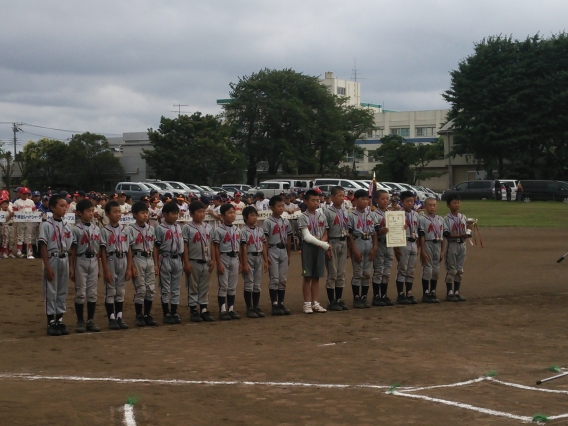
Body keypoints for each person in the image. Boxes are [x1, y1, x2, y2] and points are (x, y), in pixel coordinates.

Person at [39, 194, 76, 336]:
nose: (64, 208)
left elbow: (71, 246)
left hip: (64, 258)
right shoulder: (47, 225)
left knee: (62, 290)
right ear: (52, 207)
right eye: (61, 206)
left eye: (65, 205)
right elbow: (43, 246)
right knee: (51, 291)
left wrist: (71, 266)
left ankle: (59, 319)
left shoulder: (67, 226)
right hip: (52, 258)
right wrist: (47, 266)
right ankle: (50, 321)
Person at [100, 200, 133, 330]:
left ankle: (119, 316)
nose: (118, 214)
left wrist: (130, 267)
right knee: (110, 290)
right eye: (115, 212)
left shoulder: (125, 229)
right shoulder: (104, 230)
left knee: (120, 290)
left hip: (123, 258)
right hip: (111, 259)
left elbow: (129, 249)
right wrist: (105, 269)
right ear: (107, 214)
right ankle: (111, 318)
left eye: (119, 211)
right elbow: (102, 251)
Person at [71, 199, 102, 333]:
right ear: (79, 213)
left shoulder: (96, 228)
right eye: (88, 211)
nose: (91, 213)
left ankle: (90, 320)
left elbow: (98, 250)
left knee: (92, 293)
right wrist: (71, 267)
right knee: (81, 293)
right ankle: (80, 321)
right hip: (81, 260)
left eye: (92, 211)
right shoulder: (76, 229)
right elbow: (72, 250)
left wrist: (99, 266)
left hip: (93, 261)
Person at [298, 189, 330, 314]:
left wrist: (322, 242)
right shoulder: (303, 217)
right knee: (307, 276)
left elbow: (326, 233)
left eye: (317, 200)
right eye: (313, 200)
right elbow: (306, 236)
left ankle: (315, 303)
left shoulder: (322, 216)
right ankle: (307, 304)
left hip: (320, 248)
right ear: (306, 201)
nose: (316, 203)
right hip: (309, 248)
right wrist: (322, 244)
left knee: (316, 276)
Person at [183, 201, 215, 323]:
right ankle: (193, 309)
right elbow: (185, 246)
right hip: (193, 261)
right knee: (193, 286)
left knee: (205, 286)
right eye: (199, 212)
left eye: (203, 212)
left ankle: (203, 308)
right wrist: (186, 262)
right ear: (191, 213)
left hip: (206, 261)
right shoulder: (187, 227)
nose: (202, 214)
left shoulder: (208, 227)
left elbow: (211, 244)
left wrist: (213, 259)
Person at [129, 201, 159, 326]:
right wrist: (131, 266)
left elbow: (154, 248)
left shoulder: (151, 229)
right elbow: (129, 249)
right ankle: (139, 315)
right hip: (138, 258)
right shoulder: (130, 229)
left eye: (146, 213)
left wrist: (156, 264)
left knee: (150, 288)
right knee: (140, 288)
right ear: (135, 214)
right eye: (142, 213)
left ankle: (147, 314)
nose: (145, 215)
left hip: (149, 258)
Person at [154, 201, 184, 325]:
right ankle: (166, 312)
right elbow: (156, 247)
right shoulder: (160, 228)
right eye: (172, 213)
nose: (175, 216)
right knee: (165, 287)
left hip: (177, 258)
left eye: (176, 213)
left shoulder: (178, 227)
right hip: (165, 257)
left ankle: (174, 311)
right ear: (165, 214)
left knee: (176, 287)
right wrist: (156, 264)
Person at [263, 195, 292, 315]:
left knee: (282, 279)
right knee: (274, 278)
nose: (281, 208)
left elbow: (289, 238)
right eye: (279, 206)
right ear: (271, 207)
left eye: (283, 206)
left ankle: (281, 303)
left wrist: (289, 255)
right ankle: (274, 304)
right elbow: (265, 240)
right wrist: (266, 257)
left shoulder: (286, 221)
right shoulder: (268, 222)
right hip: (273, 249)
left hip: (283, 250)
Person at [348, 189, 377, 309]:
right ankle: (356, 298)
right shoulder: (351, 215)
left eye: (367, 199)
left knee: (367, 273)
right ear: (355, 200)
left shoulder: (371, 214)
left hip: (369, 241)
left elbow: (374, 231)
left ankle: (364, 297)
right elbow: (349, 234)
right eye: (363, 199)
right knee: (358, 273)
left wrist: (375, 247)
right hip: (358, 241)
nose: (366, 201)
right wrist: (353, 250)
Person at [322, 186, 349, 311]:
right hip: (333, 241)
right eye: (339, 196)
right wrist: (327, 247)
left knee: (341, 273)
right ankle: (331, 301)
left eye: (343, 196)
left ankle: (338, 299)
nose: (342, 198)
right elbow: (325, 231)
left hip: (343, 242)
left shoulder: (344, 211)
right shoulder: (327, 212)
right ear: (332, 197)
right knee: (332, 273)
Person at [212, 203, 241, 320]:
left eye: (233, 212)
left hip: (235, 257)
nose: (232, 215)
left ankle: (231, 309)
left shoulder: (237, 229)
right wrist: (218, 263)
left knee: (232, 285)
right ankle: (222, 309)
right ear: (222, 216)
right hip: (224, 257)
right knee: (223, 285)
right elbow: (216, 248)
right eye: (229, 213)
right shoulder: (218, 230)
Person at [240, 206, 268, 318]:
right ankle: (249, 307)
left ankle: (256, 306)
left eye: (255, 215)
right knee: (249, 283)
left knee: (257, 284)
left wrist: (266, 260)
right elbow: (243, 247)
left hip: (258, 256)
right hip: (249, 257)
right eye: (251, 215)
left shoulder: (260, 230)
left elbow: (264, 245)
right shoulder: (243, 230)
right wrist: (244, 263)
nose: (254, 217)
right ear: (245, 217)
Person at [442, 194, 470, 302]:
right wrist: (460, 235)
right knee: (451, 269)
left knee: (459, 269)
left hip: (462, 245)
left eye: (458, 202)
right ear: (448, 205)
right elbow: (447, 234)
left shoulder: (463, 217)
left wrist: (468, 231)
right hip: (452, 245)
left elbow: (466, 230)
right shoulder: (446, 218)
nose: (457, 205)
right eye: (454, 203)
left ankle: (457, 291)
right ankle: (449, 292)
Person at [394, 191, 420, 305]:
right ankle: (400, 294)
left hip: (413, 242)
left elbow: (418, 230)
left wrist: (418, 246)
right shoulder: (397, 215)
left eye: (412, 201)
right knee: (402, 268)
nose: (410, 203)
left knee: (411, 269)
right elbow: (393, 232)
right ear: (402, 202)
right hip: (403, 242)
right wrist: (396, 248)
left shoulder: (416, 215)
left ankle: (408, 292)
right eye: (407, 201)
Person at [418, 198, 444, 303]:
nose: (432, 207)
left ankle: (433, 292)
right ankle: (425, 293)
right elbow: (422, 236)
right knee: (428, 270)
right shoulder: (422, 219)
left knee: (436, 270)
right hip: (428, 243)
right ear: (425, 206)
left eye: (434, 205)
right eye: (430, 205)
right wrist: (422, 251)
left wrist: (442, 250)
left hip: (438, 244)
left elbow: (443, 237)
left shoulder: (440, 219)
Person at [371, 190, 394, 306]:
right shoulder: (374, 214)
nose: (385, 201)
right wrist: (380, 231)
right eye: (383, 198)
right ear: (376, 200)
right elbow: (374, 231)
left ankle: (384, 295)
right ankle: (376, 296)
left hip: (389, 244)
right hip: (379, 243)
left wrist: (401, 228)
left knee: (387, 271)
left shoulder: (391, 214)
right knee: (379, 270)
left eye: (387, 198)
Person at [12, 186, 37, 259]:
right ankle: (19, 252)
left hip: (29, 221)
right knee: (20, 236)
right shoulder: (17, 202)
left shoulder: (31, 201)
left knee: (28, 236)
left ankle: (29, 252)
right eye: (24, 193)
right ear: (20, 193)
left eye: (26, 194)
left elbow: (34, 211)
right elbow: (15, 212)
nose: (25, 195)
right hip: (20, 221)